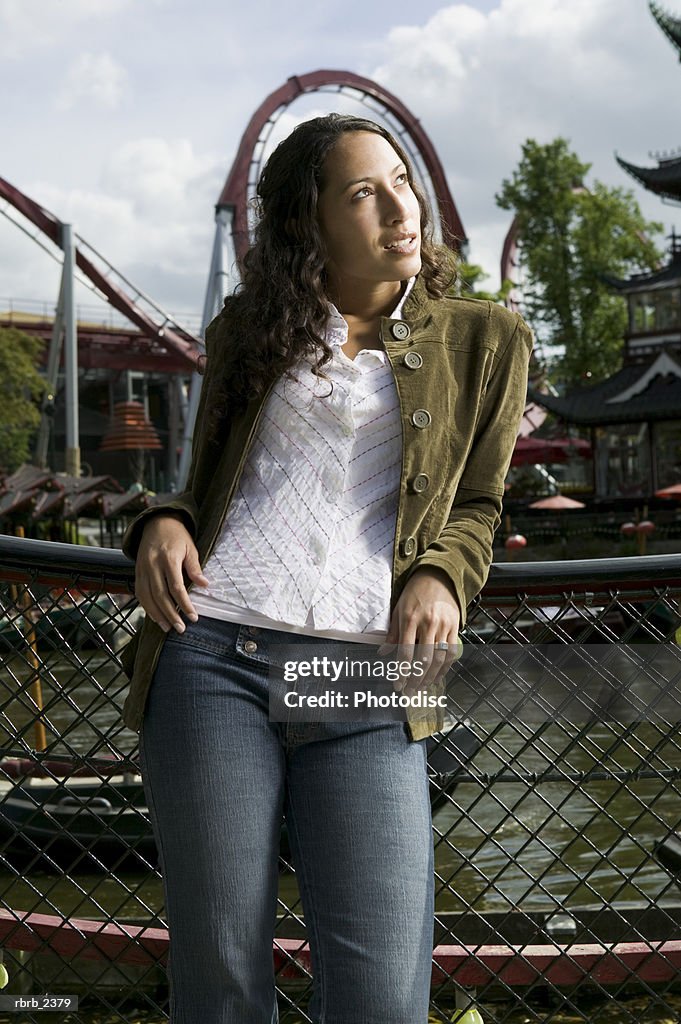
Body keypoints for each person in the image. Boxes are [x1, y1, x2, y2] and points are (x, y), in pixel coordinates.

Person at [120, 113, 533, 1024]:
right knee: (222, 975)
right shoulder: (245, 332)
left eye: (401, 180)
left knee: (381, 992)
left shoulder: (486, 338)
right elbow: (209, 488)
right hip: (212, 648)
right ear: (309, 221)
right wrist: (161, 519)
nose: (399, 205)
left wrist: (439, 575)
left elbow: (477, 503)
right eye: (362, 191)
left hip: (355, 671)